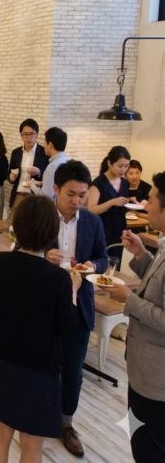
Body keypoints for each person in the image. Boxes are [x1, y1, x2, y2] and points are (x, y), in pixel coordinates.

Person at [0, 195, 81, 463]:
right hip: (39, 371)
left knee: (0, 433)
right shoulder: (59, 279)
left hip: (0, 360)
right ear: (51, 233)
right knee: (32, 446)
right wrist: (73, 291)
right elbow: (68, 327)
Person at [45, 160, 108, 458]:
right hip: (44, 304)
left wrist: (92, 265)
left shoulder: (92, 222)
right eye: (71, 194)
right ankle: (38, 416)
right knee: (42, 365)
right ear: (56, 189)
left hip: (79, 304)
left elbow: (103, 257)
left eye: (82, 195)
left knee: (73, 370)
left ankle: (66, 423)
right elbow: (19, 249)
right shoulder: (41, 215)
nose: (77, 201)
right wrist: (43, 254)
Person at [108, 171, 165, 462]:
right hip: (143, 371)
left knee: (149, 449)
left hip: (157, 380)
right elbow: (158, 287)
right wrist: (142, 255)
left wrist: (129, 300)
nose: (145, 204)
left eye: (151, 200)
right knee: (140, 441)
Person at [87, 145, 131, 257]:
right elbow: (91, 210)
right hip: (102, 230)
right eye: (120, 166)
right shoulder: (98, 183)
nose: (123, 170)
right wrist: (112, 202)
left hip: (120, 230)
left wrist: (131, 201)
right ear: (109, 163)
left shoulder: (125, 183)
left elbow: (122, 206)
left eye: (126, 166)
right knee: (102, 261)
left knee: (116, 262)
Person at [9, 119, 49, 208]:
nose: (28, 137)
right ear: (21, 135)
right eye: (25, 134)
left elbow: (49, 177)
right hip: (18, 195)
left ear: (37, 135)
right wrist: (11, 177)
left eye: (31, 134)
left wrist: (39, 172)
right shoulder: (16, 152)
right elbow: (10, 172)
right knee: (14, 217)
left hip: (35, 197)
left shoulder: (44, 152)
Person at [31, 127, 69, 200]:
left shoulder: (52, 166)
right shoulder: (67, 160)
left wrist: (32, 185)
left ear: (50, 144)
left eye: (45, 142)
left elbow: (46, 197)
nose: (44, 145)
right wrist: (42, 183)